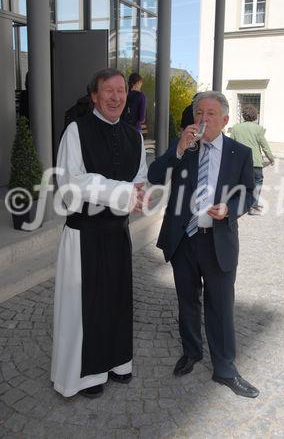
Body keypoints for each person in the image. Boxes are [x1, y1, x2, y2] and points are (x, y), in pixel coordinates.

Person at [148, 91, 259, 399]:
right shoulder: (185, 146)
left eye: (211, 113)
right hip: (184, 239)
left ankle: (225, 368)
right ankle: (192, 352)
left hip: (218, 241)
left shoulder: (240, 153)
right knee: (187, 300)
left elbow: (248, 194)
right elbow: (155, 176)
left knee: (220, 306)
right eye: (199, 112)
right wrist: (179, 149)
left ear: (224, 120)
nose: (203, 118)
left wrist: (230, 210)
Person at [51, 68, 147, 399]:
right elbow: (71, 183)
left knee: (116, 303)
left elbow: (139, 179)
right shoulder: (76, 132)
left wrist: (140, 194)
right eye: (108, 91)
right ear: (95, 95)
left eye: (121, 90)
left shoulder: (134, 136)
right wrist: (123, 192)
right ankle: (83, 377)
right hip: (84, 237)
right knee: (84, 307)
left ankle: (116, 363)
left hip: (117, 235)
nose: (116, 97)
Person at [230, 105, 274, 215]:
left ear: (243, 115)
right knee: (257, 182)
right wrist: (271, 158)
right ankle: (253, 206)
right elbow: (264, 146)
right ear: (255, 116)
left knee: (241, 183)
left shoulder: (235, 128)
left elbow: (230, 145)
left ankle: (241, 205)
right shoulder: (258, 129)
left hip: (240, 162)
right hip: (255, 162)